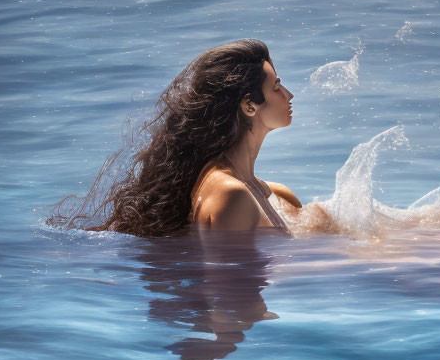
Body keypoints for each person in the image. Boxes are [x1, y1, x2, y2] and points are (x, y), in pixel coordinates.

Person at [63, 39, 301, 236]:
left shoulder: (270, 193)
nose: (289, 95)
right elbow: (231, 288)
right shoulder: (232, 196)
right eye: (277, 86)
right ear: (249, 105)